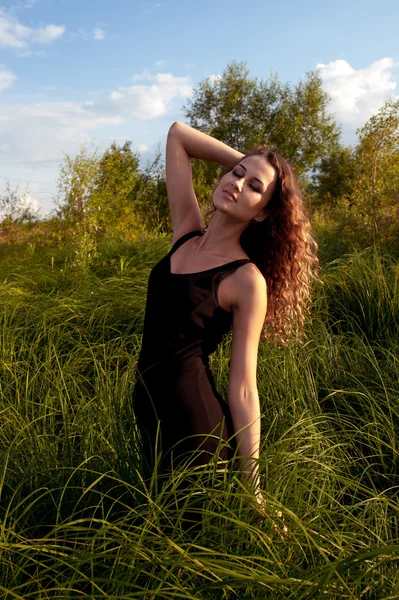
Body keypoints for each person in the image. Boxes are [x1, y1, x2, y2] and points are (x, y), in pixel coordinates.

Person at [132, 121, 319, 519]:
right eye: (235, 174)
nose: (237, 183)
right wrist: (253, 164)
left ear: (265, 212)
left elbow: (244, 389)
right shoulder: (186, 232)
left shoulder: (245, 279)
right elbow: (179, 135)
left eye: (254, 188)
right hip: (148, 408)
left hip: (194, 426)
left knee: (185, 549)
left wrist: (254, 489)